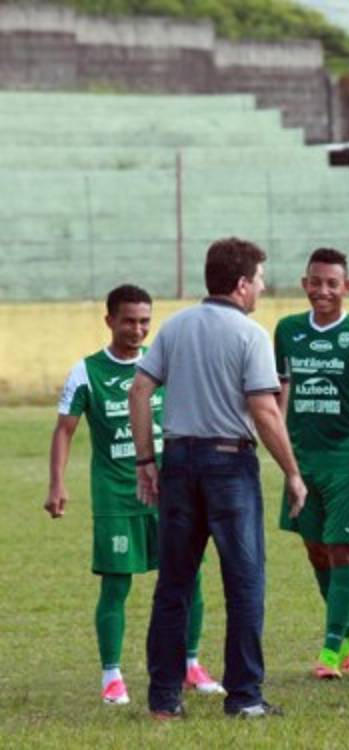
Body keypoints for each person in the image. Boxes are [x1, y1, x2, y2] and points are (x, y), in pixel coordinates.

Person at [130, 237, 307, 719]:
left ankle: (164, 699)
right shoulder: (251, 334)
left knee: (175, 584)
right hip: (229, 465)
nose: (264, 289)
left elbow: (140, 388)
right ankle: (245, 696)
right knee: (245, 583)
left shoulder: (175, 326)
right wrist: (292, 472)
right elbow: (264, 410)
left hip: (179, 463)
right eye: (261, 279)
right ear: (243, 283)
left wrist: (146, 460)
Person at [46, 284, 223, 706]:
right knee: (116, 584)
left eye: (145, 321)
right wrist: (57, 482)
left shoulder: (166, 364)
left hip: (171, 490)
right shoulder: (86, 371)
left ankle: (189, 665)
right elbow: (64, 430)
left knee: (189, 577)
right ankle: (112, 675)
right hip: (116, 496)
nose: (138, 329)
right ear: (109, 320)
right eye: (129, 320)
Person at [273, 247, 349, 679]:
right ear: (304, 284)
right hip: (301, 457)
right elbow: (279, 393)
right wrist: (282, 453)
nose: (323, 290)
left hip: (345, 457)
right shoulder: (287, 331)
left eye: (332, 283)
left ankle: (329, 655)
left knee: (342, 550)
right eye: (316, 282)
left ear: (347, 286)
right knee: (315, 550)